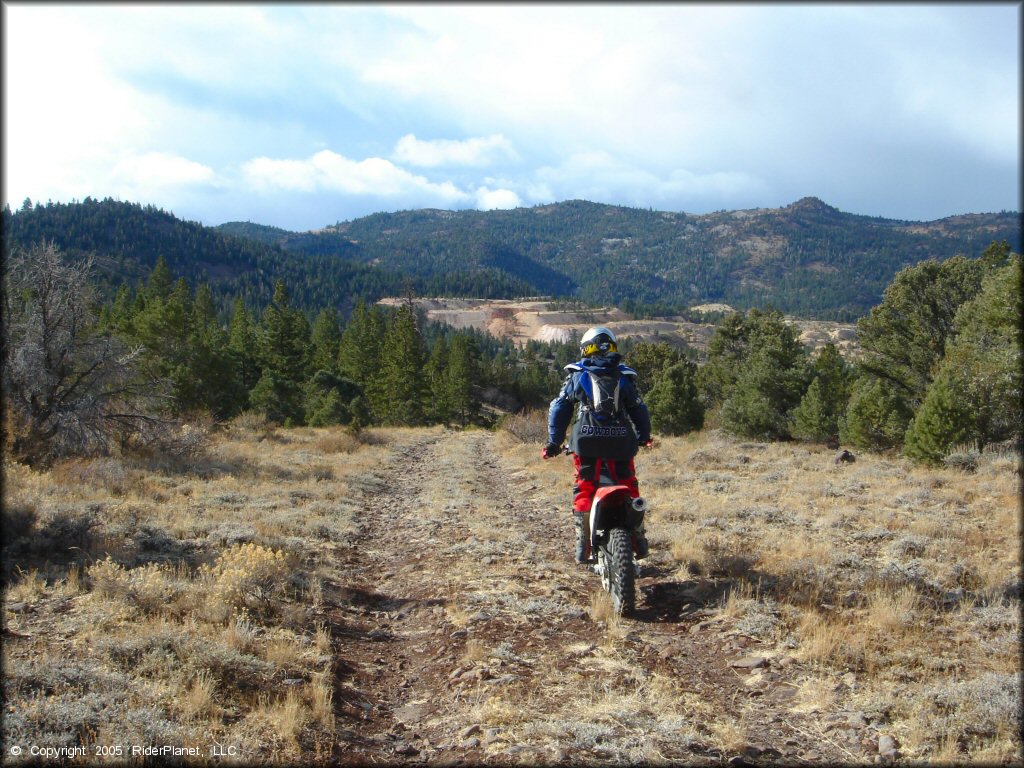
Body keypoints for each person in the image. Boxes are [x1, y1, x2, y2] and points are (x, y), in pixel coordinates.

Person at [542, 326, 653, 564]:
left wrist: (554, 442)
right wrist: (644, 436)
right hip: (622, 441)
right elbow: (639, 409)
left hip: (586, 441)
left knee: (584, 486)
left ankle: (583, 542)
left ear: (586, 347)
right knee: (628, 484)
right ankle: (639, 537)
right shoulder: (624, 376)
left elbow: (559, 408)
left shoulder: (578, 373)